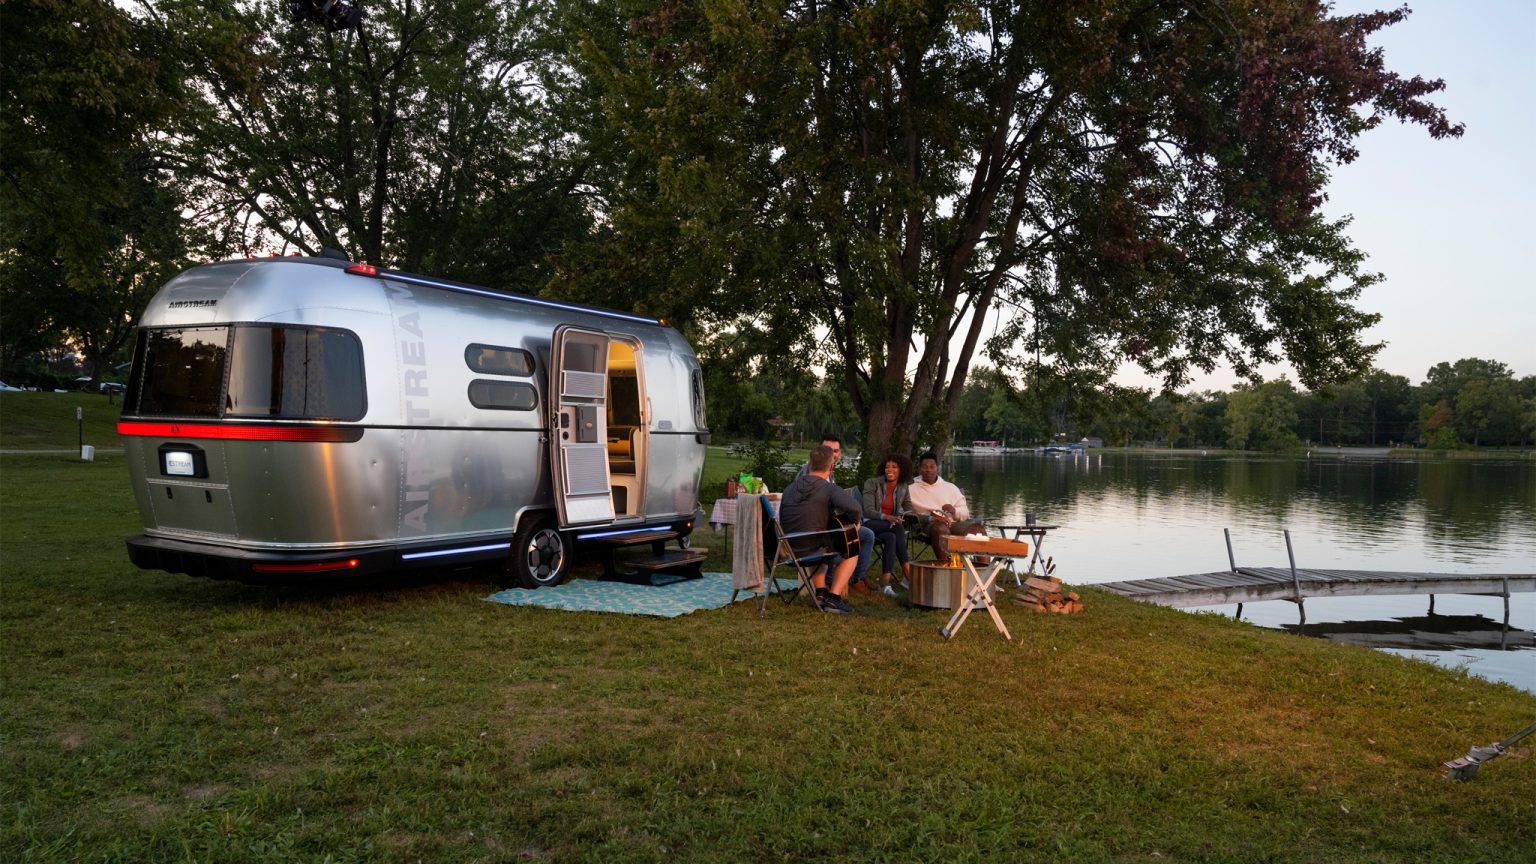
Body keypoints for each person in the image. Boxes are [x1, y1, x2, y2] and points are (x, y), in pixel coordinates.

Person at [778, 444, 862, 614]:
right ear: (831, 467)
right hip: (813, 549)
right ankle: (834, 598)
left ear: (809, 464)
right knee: (852, 547)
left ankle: (821, 592)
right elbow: (855, 509)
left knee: (817, 537)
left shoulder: (789, 488)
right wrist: (855, 524)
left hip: (789, 549)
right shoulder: (828, 488)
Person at [796, 433, 876, 592]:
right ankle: (830, 584)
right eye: (828, 449)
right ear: (819, 451)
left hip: (829, 524)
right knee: (844, 539)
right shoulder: (807, 473)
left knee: (867, 534)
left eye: (836, 451)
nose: (832, 454)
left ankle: (858, 578)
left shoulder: (830, 473)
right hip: (816, 530)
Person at [907, 451, 984, 559]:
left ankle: (984, 568)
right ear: (920, 469)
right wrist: (931, 517)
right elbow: (906, 513)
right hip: (928, 525)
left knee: (978, 531)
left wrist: (954, 511)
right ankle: (944, 565)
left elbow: (965, 512)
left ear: (937, 469)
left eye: (932, 467)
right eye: (925, 467)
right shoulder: (910, 489)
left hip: (953, 523)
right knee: (941, 528)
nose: (928, 470)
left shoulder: (950, 487)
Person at [861, 454, 913, 597]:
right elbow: (868, 510)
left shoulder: (903, 487)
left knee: (891, 537)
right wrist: (887, 517)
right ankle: (908, 574)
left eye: (894, 467)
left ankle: (885, 584)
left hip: (888, 527)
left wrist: (929, 517)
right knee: (897, 527)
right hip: (868, 524)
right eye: (887, 467)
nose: (889, 470)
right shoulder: (872, 483)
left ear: (902, 470)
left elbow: (909, 510)